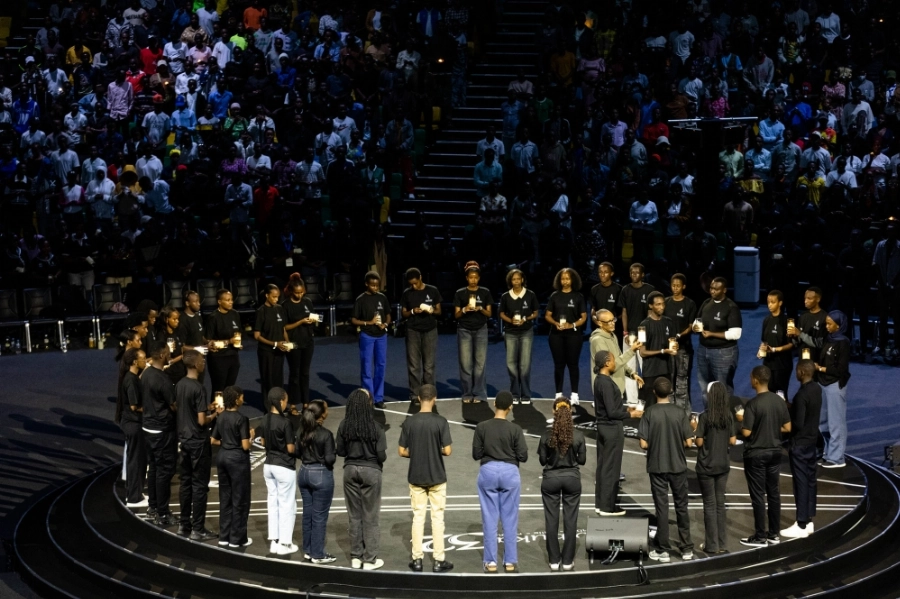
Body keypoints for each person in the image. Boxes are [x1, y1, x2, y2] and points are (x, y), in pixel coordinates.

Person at [398, 384, 454, 573]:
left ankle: (417, 560)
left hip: (416, 476)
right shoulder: (441, 421)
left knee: (418, 517)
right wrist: (433, 451)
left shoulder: (409, 422)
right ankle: (439, 560)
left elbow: (401, 451)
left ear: (419, 399)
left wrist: (417, 452)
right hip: (437, 476)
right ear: (435, 399)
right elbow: (447, 450)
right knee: (437, 518)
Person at [639, 378, 695, 562]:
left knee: (662, 508)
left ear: (654, 392)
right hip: (678, 466)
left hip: (657, 467)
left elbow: (643, 443)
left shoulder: (649, 413)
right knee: (682, 506)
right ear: (671, 392)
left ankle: (663, 549)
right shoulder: (680, 413)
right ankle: (686, 548)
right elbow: (689, 442)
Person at [472, 391, 528, 573]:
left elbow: (476, 454)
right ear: (510, 407)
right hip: (510, 473)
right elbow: (523, 456)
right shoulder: (515, 429)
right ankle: (510, 562)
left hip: (488, 472)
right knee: (510, 519)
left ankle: (491, 562)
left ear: (494, 403)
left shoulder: (482, 427)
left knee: (489, 519)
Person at [739, 366, 792, 547]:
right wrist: (770, 429)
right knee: (774, 493)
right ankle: (774, 534)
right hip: (775, 453)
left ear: (755, 380)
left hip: (756, 454)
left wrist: (743, 423)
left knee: (758, 496)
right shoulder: (779, 402)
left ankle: (761, 536)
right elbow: (787, 428)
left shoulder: (753, 404)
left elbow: (746, 432)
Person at [336, 389, 387, 570]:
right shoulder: (376, 427)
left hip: (350, 471)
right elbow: (381, 456)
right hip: (371, 471)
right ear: (369, 404)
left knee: (354, 516)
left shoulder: (344, 426)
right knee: (370, 516)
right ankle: (370, 559)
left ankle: (356, 557)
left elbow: (340, 451)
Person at [175, 350, 219, 541]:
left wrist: (205, 408)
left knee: (185, 483)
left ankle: (184, 524)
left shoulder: (180, 384)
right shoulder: (199, 388)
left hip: (184, 440)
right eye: (202, 361)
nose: (204, 363)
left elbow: (186, 408)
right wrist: (216, 413)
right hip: (199, 443)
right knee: (200, 486)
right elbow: (202, 421)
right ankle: (198, 528)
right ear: (194, 364)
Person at [539, 397, 586, 571]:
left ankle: (553, 560)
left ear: (554, 412)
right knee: (570, 520)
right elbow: (582, 460)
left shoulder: (546, 435)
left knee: (551, 520)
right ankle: (567, 561)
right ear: (570, 413)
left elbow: (542, 460)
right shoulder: (578, 436)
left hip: (550, 480)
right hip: (572, 480)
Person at [593, 350, 642, 515]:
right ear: (607, 363)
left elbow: (609, 407)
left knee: (603, 467)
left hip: (603, 427)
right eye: (613, 360)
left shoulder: (599, 380)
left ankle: (601, 503)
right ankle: (608, 507)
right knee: (611, 469)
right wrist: (631, 414)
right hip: (612, 429)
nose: (615, 363)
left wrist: (624, 408)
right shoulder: (606, 383)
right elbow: (612, 413)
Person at [692, 381, 736, 555]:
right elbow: (732, 441)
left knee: (709, 505)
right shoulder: (728, 416)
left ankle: (711, 545)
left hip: (706, 466)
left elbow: (699, 442)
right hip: (723, 465)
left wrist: (695, 429)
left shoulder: (704, 417)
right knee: (720, 505)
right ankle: (722, 543)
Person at [782, 360, 823, 538]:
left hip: (799, 444)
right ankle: (809, 521)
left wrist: (786, 413)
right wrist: (792, 406)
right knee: (810, 480)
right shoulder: (817, 389)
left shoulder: (801, 395)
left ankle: (801, 523)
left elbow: (797, 423)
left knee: (800, 483)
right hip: (812, 442)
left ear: (800, 372)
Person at [211, 385, 253, 548]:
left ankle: (224, 536)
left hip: (222, 458)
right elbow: (245, 446)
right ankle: (237, 539)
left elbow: (213, 440)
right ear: (236, 400)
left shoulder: (220, 417)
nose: (243, 399)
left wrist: (227, 443)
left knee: (225, 498)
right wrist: (250, 436)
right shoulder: (241, 419)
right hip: (237, 461)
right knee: (240, 499)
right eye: (241, 397)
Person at [141, 340, 178, 527]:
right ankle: (163, 513)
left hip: (148, 427)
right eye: (169, 353)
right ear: (163, 355)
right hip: (163, 430)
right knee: (165, 470)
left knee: (154, 467)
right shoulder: (163, 379)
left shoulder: (146, 374)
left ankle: (153, 506)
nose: (170, 355)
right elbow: (174, 406)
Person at [295, 398, 336, 563]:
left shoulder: (301, 432)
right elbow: (330, 459)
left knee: (308, 513)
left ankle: (308, 549)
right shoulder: (326, 435)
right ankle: (318, 554)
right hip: (320, 475)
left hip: (304, 473)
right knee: (319, 516)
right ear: (322, 414)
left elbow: (297, 452)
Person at [694, 277, 742, 406]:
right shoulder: (706, 303)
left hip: (723, 353)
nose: (712, 291)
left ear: (724, 290)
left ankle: (724, 420)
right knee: (705, 387)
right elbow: (697, 320)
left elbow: (736, 333)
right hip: (703, 351)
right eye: (711, 288)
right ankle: (708, 417)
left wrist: (711, 334)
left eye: (716, 289)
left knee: (723, 388)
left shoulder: (731, 307)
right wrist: (695, 327)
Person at [262, 387, 297, 555]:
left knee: (273, 504)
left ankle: (275, 542)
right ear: (281, 401)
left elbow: (262, 442)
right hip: (284, 466)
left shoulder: (265, 418)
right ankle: (285, 544)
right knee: (287, 505)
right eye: (286, 400)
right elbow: (290, 448)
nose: (287, 404)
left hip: (268, 466)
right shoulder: (285, 422)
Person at [545, 268, 588, 405]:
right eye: (563, 279)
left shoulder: (578, 297)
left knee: (573, 365)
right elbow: (548, 315)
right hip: (556, 335)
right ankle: (558, 394)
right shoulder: (554, 296)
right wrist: (555, 323)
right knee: (559, 365)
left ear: (573, 280)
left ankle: (574, 395)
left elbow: (584, 317)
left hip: (574, 335)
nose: (565, 281)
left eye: (567, 278)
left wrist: (572, 325)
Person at [400, 268, 442, 403]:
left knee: (429, 366)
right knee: (414, 365)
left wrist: (431, 310)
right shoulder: (407, 293)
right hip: (413, 330)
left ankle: (429, 394)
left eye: (415, 283)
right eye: (411, 284)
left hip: (430, 330)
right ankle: (415, 394)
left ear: (421, 278)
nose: (413, 286)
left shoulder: (432, 290)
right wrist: (413, 311)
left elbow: (439, 311)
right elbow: (404, 313)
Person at [453, 261, 493, 404]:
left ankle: (479, 393)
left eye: (476, 277)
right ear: (467, 278)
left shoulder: (485, 292)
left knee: (480, 363)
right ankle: (467, 393)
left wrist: (480, 309)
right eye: (471, 277)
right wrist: (464, 310)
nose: (473, 280)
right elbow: (456, 315)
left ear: (479, 278)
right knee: (465, 363)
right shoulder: (460, 293)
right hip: (464, 329)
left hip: (481, 329)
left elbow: (489, 314)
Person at [816, 311, 851, 468]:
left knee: (836, 422)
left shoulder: (843, 342)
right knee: (822, 422)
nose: (827, 326)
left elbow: (841, 369)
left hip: (835, 384)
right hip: (822, 383)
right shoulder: (828, 338)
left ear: (839, 325)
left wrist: (821, 369)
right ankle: (828, 452)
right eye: (826, 323)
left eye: (830, 324)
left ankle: (837, 458)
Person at [350, 271, 391, 407]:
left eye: (377, 286)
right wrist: (369, 322)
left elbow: (388, 314)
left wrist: (385, 324)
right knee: (366, 368)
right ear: (366, 284)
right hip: (367, 336)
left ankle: (379, 398)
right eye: (372, 285)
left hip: (381, 336)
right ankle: (368, 398)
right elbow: (354, 320)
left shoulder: (382, 298)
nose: (375, 288)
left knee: (380, 366)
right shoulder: (360, 300)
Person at [498, 269, 539, 404]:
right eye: (513, 279)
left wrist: (526, 319)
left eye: (518, 279)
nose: (516, 281)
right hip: (510, 332)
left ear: (522, 280)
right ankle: (515, 393)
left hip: (526, 332)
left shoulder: (530, 294)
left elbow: (535, 312)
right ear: (510, 281)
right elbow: (501, 313)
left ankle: (526, 394)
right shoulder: (505, 296)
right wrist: (510, 321)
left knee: (525, 364)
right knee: (511, 364)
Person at [618, 263, 655, 401]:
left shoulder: (650, 290)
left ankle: (647, 399)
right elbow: (624, 312)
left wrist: (645, 335)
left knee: (646, 369)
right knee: (629, 368)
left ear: (643, 274)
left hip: (644, 336)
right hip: (629, 337)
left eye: (637, 272)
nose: (634, 274)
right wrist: (626, 333)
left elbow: (650, 314)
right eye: (632, 272)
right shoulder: (625, 290)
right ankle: (632, 401)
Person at [117, 347, 147, 508]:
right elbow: (135, 406)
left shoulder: (132, 377)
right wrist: (154, 409)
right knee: (136, 461)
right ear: (135, 361)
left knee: (137, 459)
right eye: (143, 358)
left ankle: (135, 494)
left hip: (132, 423)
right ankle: (134, 497)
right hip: (134, 423)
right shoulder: (131, 380)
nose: (145, 360)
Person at [638, 291, 678, 407]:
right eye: (658, 304)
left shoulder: (669, 322)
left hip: (666, 370)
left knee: (665, 404)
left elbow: (672, 342)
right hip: (650, 372)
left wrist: (674, 347)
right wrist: (662, 351)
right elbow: (642, 352)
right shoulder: (643, 326)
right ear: (650, 305)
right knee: (650, 404)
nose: (662, 307)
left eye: (663, 304)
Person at [665, 274, 697, 415]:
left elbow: (691, 326)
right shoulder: (666, 302)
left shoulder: (689, 304)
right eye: (673, 285)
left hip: (683, 348)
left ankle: (684, 411)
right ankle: (671, 408)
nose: (675, 288)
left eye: (678, 286)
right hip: (668, 348)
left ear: (683, 286)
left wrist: (679, 335)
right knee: (670, 376)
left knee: (682, 379)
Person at [282, 274, 316, 407]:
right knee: (294, 374)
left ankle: (306, 401)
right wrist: (301, 321)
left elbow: (313, 317)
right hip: (293, 343)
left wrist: (314, 320)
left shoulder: (307, 302)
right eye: (297, 293)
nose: (299, 295)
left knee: (305, 373)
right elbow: (285, 327)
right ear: (291, 291)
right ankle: (293, 403)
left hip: (308, 342)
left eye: (302, 292)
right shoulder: (285, 305)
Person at [254, 284, 289, 406]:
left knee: (278, 380)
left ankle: (278, 406)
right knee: (267, 380)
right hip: (266, 352)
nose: (276, 299)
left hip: (279, 351)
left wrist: (287, 343)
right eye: (274, 297)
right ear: (267, 296)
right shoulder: (261, 312)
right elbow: (257, 335)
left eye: (278, 297)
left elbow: (283, 329)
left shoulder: (279, 309)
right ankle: (268, 408)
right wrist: (274, 344)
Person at [205, 289, 243, 394]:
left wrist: (238, 344)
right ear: (219, 302)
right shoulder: (213, 317)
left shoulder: (235, 314)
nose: (231, 302)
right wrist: (228, 342)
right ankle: (216, 410)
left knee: (230, 389)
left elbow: (238, 332)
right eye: (228, 300)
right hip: (218, 358)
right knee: (218, 389)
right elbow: (209, 341)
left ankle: (227, 409)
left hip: (233, 356)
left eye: (231, 300)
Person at [760, 290, 794, 395]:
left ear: (780, 303)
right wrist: (761, 351)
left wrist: (774, 349)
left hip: (782, 365)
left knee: (781, 396)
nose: (769, 305)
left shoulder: (788, 321)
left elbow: (791, 344)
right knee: (768, 394)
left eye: (773, 302)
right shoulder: (766, 320)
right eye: (768, 302)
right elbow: (764, 341)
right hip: (768, 364)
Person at [788, 287, 827, 362]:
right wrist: (793, 336)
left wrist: (800, 334)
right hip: (802, 359)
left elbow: (820, 343)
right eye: (805, 298)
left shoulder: (825, 318)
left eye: (809, 298)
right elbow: (797, 342)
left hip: (816, 361)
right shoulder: (803, 316)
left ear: (818, 299)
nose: (805, 301)